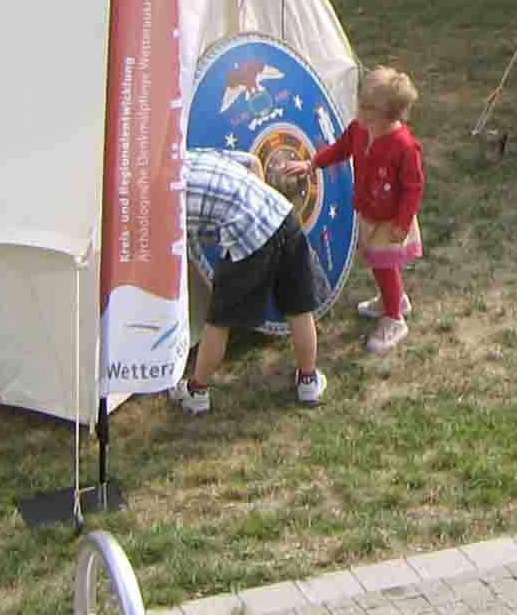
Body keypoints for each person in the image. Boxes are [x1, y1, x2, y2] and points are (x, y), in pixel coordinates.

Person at [174, 147, 326, 413]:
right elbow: (253, 162)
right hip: (280, 213)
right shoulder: (192, 154)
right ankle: (308, 381)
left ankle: (197, 391)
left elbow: (193, 254)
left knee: (219, 321)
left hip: (247, 236)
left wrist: (219, 293)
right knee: (299, 309)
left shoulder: (170, 205)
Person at [287, 66, 425, 351]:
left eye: (367, 109)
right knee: (378, 262)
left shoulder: (404, 146)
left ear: (390, 114)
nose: (360, 112)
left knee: (384, 263)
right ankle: (393, 299)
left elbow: (413, 188)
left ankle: (394, 318)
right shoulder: (360, 129)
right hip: (369, 212)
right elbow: (340, 149)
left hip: (390, 219)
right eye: (361, 104)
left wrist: (402, 222)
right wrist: (312, 163)